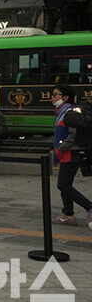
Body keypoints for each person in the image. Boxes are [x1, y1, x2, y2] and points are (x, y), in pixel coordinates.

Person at [51, 84, 92, 227]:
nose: (52, 97)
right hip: (66, 153)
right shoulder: (61, 112)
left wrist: (60, 150)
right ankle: (67, 214)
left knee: (63, 185)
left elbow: (72, 136)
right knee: (65, 184)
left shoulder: (69, 112)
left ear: (66, 97)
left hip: (71, 153)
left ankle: (89, 207)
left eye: (56, 94)